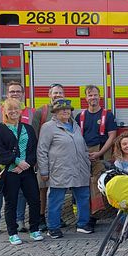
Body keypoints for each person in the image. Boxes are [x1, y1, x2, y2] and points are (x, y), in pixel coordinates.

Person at [0, 98, 43, 245]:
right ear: (4, 112)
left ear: (21, 111)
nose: (13, 112)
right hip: (10, 172)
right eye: (10, 109)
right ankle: (12, 233)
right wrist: (17, 162)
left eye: (16, 109)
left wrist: (27, 164)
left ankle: (34, 229)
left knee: (34, 200)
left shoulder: (28, 128)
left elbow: (34, 149)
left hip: (27, 171)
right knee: (11, 203)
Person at [0, 82, 33, 236]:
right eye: (12, 91)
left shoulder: (31, 112)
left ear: (23, 94)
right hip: (1, 163)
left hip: (22, 164)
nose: (15, 94)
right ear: (7, 94)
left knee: (19, 194)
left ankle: (19, 221)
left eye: (18, 91)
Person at [37, 98, 92, 238]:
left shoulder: (75, 126)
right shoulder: (48, 127)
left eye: (68, 109)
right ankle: (53, 228)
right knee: (56, 200)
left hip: (80, 169)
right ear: (55, 112)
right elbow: (42, 150)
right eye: (62, 109)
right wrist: (43, 170)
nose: (66, 111)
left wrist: (87, 162)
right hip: (60, 169)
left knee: (83, 197)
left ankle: (83, 224)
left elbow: (83, 146)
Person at [76, 85, 117, 224]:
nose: (93, 97)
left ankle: (93, 215)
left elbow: (112, 136)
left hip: (101, 153)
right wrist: (83, 153)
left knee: (96, 182)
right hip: (83, 153)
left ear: (100, 96)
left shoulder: (107, 115)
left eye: (95, 95)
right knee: (83, 184)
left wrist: (100, 152)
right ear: (86, 97)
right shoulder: (80, 116)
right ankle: (85, 215)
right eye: (90, 95)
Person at [35, 83, 65, 231]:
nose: (58, 95)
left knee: (58, 188)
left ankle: (56, 216)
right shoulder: (41, 112)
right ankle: (40, 217)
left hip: (61, 159)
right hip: (45, 158)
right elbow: (34, 136)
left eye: (60, 93)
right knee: (42, 188)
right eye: (55, 93)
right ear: (49, 95)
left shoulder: (67, 112)